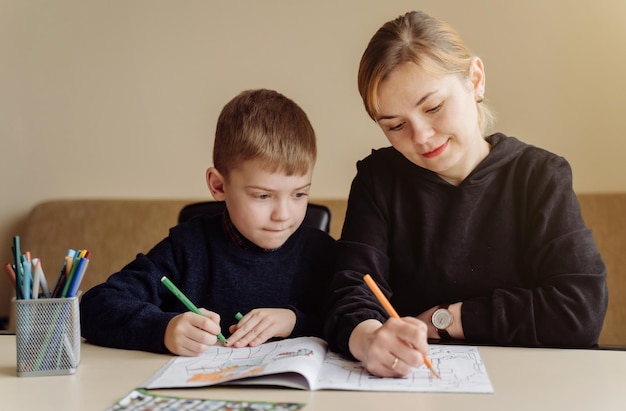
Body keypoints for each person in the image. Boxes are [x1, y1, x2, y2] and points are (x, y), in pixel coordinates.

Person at [324, 11, 608, 378]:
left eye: (434, 107)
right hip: (413, 386)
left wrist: (447, 320)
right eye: (395, 125)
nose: (421, 136)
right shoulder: (379, 179)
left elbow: (580, 309)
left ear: (475, 80)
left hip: (529, 384)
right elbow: (351, 289)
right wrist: (368, 338)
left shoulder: (540, 176)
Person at [81, 89, 335, 356]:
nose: (283, 214)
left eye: (299, 194)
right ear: (218, 185)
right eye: (263, 195)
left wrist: (294, 321)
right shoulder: (187, 248)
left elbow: (354, 320)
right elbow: (96, 307)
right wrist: (164, 329)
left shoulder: (322, 253)